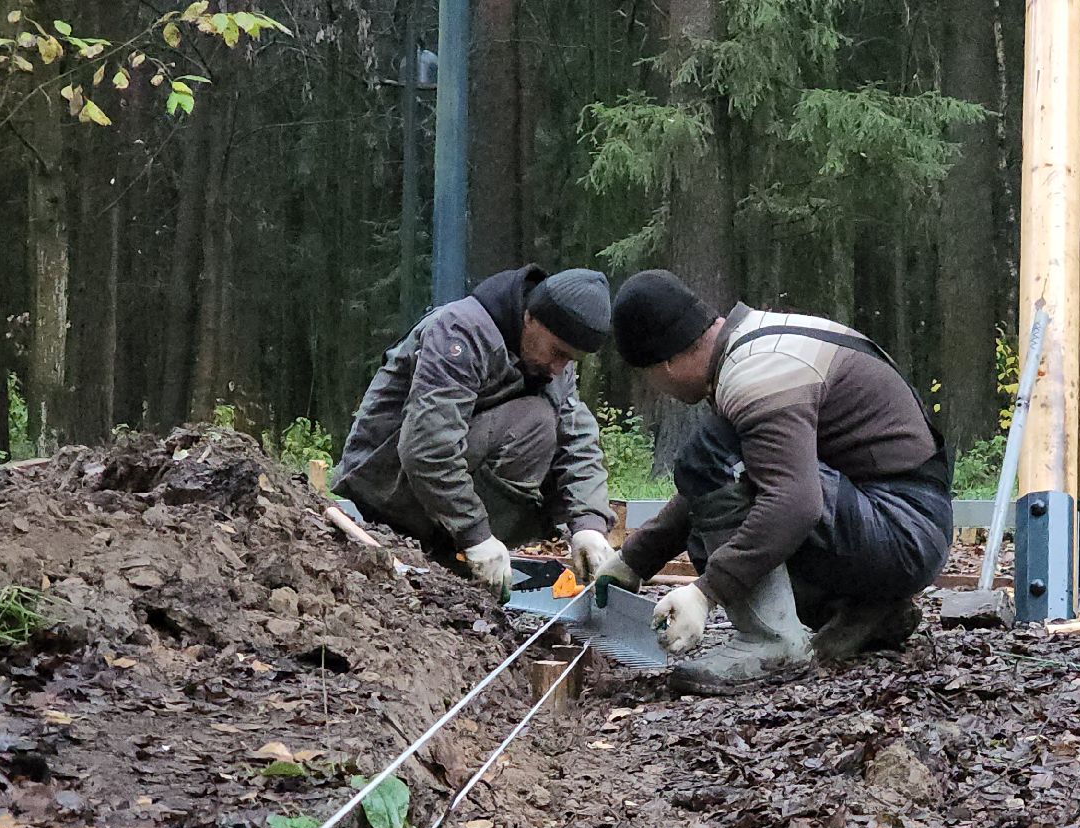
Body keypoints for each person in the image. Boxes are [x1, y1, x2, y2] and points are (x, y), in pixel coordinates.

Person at [593, 270, 953, 695]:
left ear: (666, 363)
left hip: (902, 529)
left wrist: (706, 593)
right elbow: (709, 491)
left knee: (714, 464)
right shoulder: (751, 344)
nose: (657, 390)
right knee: (717, 489)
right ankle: (862, 612)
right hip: (899, 520)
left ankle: (769, 641)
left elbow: (794, 503)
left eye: (647, 377)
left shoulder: (757, 374)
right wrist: (634, 561)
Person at [335, 265, 619, 599]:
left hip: (433, 482)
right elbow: (427, 448)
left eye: (570, 360)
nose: (559, 368)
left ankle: (460, 550)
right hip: (386, 483)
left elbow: (578, 437)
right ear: (530, 317)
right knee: (536, 423)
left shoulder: (548, 357)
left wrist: (589, 525)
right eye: (558, 352)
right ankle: (453, 552)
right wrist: (475, 534)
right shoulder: (460, 331)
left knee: (552, 427)